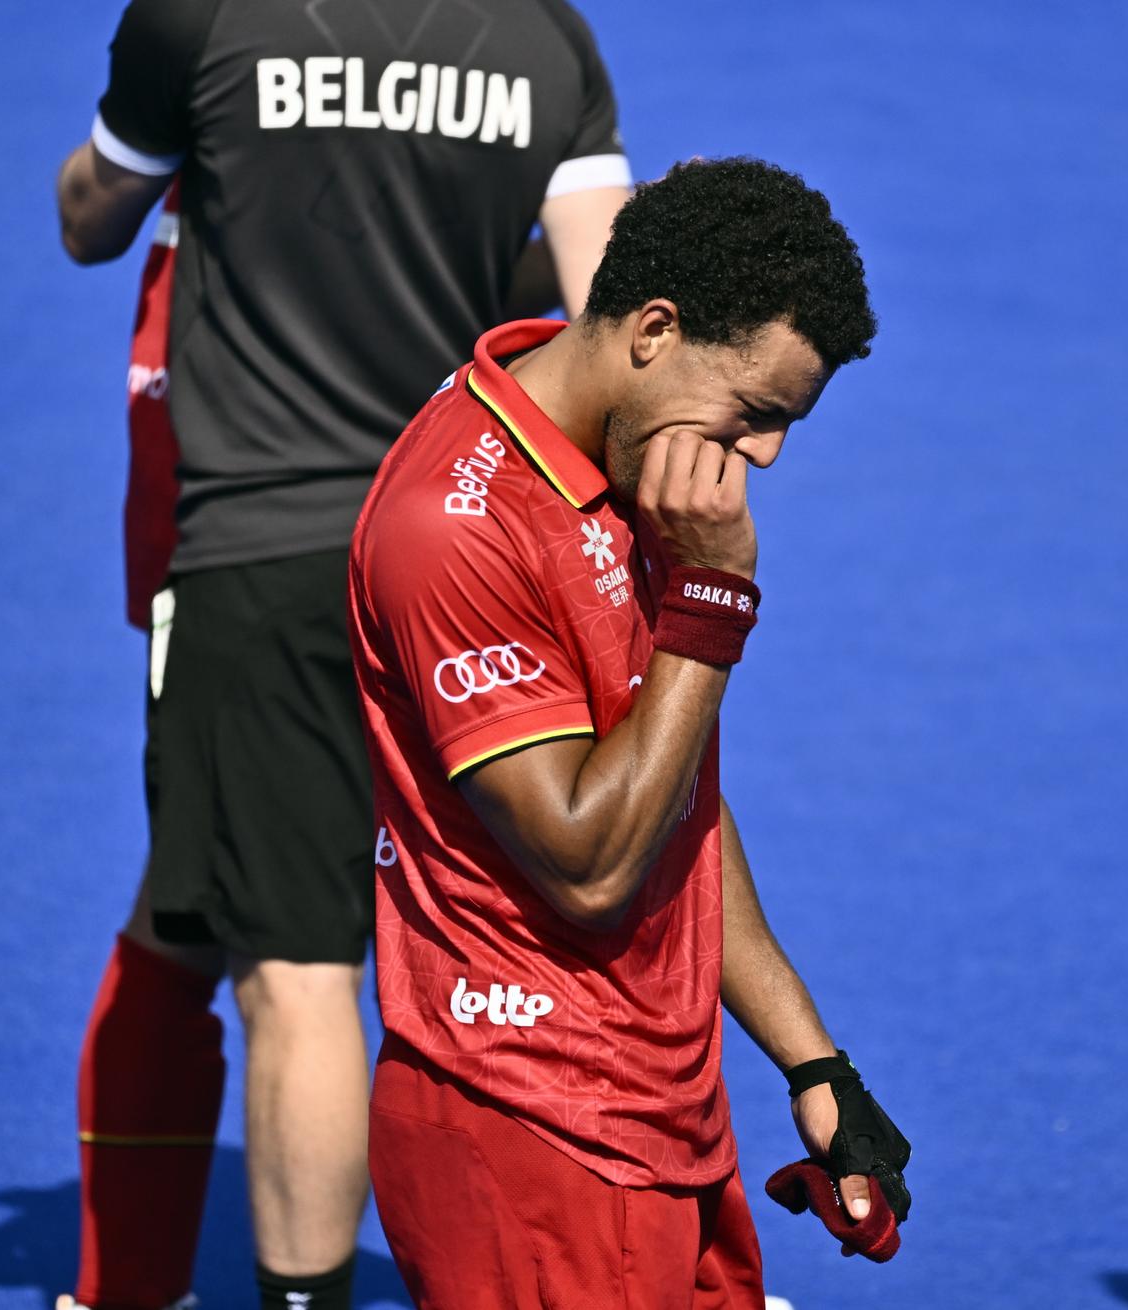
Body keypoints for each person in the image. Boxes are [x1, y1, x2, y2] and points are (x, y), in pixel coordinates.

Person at [54, 0, 632, 1303]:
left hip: (266, 557)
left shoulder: (199, 21)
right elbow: (602, 313)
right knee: (513, 945)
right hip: (475, 547)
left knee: (300, 967)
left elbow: (89, 217)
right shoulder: (545, 39)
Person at [348, 156, 913, 1307]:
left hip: (662, 1110)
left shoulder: (627, 477)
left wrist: (813, 1060)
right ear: (655, 327)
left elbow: (668, 797)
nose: (762, 457)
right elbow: (593, 862)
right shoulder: (451, 530)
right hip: (535, 1134)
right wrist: (708, 605)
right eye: (756, 413)